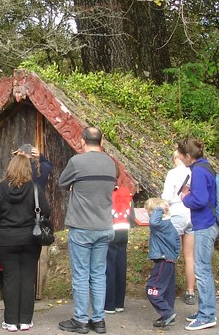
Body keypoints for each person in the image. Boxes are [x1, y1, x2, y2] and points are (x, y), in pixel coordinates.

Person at [57, 127, 116, 335]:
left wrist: (76, 184)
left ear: (82, 141)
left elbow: (62, 183)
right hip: (105, 226)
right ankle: (98, 320)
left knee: (81, 275)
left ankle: (81, 320)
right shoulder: (110, 163)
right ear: (101, 141)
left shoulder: (77, 162)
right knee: (99, 274)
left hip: (82, 227)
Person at [0, 154, 51, 332]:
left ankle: (10, 321)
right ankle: (25, 320)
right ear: (28, 170)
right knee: (27, 278)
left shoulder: (0, 189)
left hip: (6, 240)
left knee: (10, 279)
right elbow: (46, 211)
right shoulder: (35, 188)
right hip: (31, 238)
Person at [178, 138, 219, 331]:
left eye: (180, 155)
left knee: (202, 270)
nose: (178, 157)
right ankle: (204, 310)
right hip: (206, 223)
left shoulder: (200, 171)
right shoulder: (205, 167)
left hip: (204, 224)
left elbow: (200, 200)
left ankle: (207, 315)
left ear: (188, 156)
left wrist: (186, 198)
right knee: (202, 268)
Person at [12, 143, 53, 300]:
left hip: (17, 216)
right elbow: (48, 165)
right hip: (35, 215)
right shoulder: (39, 170)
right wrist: (40, 157)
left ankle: (18, 295)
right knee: (32, 262)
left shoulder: (16, 171)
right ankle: (35, 293)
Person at [161, 150, 196, 305]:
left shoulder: (173, 173)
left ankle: (168, 289)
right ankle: (190, 292)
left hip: (176, 213)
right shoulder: (194, 172)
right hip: (192, 214)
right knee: (190, 256)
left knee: (171, 255)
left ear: (176, 158)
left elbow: (166, 197)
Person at [143, 198, 181, 328]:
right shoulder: (169, 225)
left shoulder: (158, 225)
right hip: (170, 260)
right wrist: (175, 255)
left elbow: (153, 222)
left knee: (152, 289)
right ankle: (168, 314)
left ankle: (167, 312)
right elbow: (177, 242)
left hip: (163, 260)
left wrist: (158, 209)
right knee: (168, 291)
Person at [104, 183, 133, 314]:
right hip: (124, 231)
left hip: (111, 230)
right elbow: (132, 214)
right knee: (121, 265)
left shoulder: (107, 193)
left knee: (109, 267)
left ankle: (109, 304)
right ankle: (119, 303)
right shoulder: (126, 192)